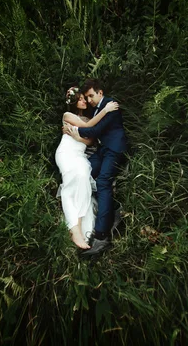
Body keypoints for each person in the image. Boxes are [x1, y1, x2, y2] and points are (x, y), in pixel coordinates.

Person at [63, 79, 127, 256]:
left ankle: (102, 236)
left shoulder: (110, 105)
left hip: (113, 150)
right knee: (84, 173)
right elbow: (84, 118)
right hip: (102, 151)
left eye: (91, 95)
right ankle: (108, 209)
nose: (89, 100)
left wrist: (72, 131)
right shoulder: (97, 108)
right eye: (87, 97)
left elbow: (94, 131)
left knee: (103, 182)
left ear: (100, 92)